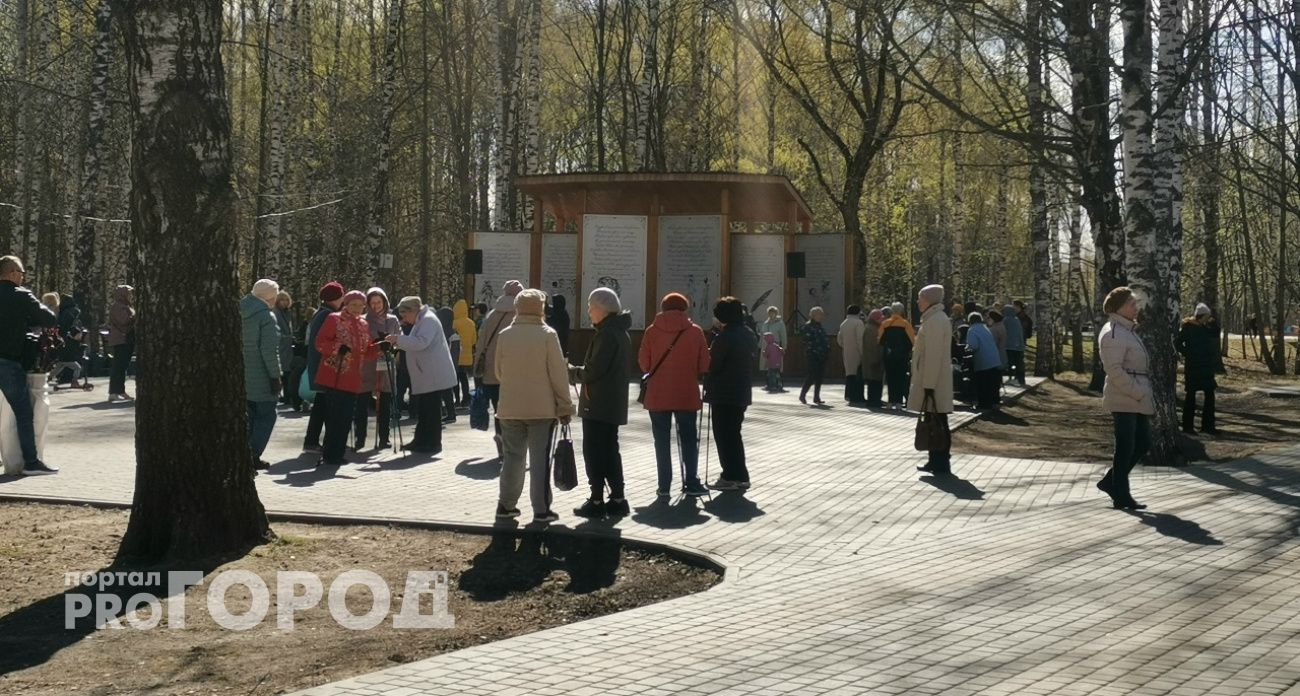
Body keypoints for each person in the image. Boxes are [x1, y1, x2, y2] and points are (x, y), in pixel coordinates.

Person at [493, 289, 573, 523]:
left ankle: (505, 505)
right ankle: (541, 509)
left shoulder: (505, 335)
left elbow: (499, 372)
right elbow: (558, 375)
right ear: (540, 308)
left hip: (509, 408)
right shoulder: (548, 335)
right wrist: (565, 406)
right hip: (542, 409)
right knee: (540, 461)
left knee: (512, 458)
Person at [638, 292, 711, 498]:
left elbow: (644, 363)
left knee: (661, 441)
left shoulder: (651, 331)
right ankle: (691, 482)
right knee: (688, 439)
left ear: (663, 307)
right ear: (684, 308)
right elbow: (705, 363)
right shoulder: (695, 331)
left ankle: (664, 486)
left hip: (658, 394)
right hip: (686, 392)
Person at [571, 287, 632, 518]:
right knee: (609, 450)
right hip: (611, 403)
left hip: (598, 404)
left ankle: (597, 500)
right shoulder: (619, 331)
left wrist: (571, 372)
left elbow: (593, 371)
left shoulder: (607, 334)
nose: (588, 311)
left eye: (591, 306)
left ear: (601, 309)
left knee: (594, 452)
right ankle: (617, 498)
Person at [0, 256, 58, 475]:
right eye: (22, 273)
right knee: (23, 412)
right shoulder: (22, 296)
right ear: (13, 272)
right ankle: (31, 463)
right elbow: (49, 319)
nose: (23, 277)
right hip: (8, 361)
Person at [1097, 286, 1152, 510]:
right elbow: (1114, 370)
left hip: (1134, 394)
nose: (1136, 307)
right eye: (1131, 304)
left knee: (1142, 443)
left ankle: (1111, 482)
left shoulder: (1126, 330)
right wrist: (1136, 392)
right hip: (1125, 395)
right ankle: (1121, 494)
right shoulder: (1113, 333)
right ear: (1118, 308)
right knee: (1126, 446)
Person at [314, 290, 379, 467]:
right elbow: (320, 342)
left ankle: (338, 452)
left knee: (345, 417)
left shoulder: (363, 324)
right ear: (346, 304)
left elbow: (367, 351)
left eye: (360, 305)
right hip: (335, 375)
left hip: (353, 378)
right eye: (353, 305)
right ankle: (330, 454)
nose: (357, 309)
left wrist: (381, 347)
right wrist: (338, 348)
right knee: (335, 417)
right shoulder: (334, 319)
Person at [387, 297, 459, 455]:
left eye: (404, 315)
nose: (404, 320)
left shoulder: (428, 320)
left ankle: (433, 443)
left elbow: (421, 342)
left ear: (412, 311)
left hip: (432, 374)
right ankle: (420, 440)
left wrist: (398, 339)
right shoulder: (422, 320)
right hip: (427, 373)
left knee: (431, 410)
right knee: (425, 409)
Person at [704, 296, 754, 491]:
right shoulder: (747, 333)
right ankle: (741, 475)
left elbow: (713, 365)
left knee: (724, 436)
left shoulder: (724, 338)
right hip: (741, 391)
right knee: (734, 434)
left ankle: (730, 475)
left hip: (723, 392)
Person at [475, 281, 523, 457]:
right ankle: (514, 446)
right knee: (516, 411)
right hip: (514, 373)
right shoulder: (521, 315)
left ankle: (501, 444)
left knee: (498, 410)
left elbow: (481, 344)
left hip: (491, 372)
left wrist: (476, 370)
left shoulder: (492, 315)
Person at [911, 284, 955, 475]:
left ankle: (940, 463)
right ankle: (935, 460)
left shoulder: (935, 321)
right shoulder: (934, 318)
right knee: (934, 421)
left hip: (933, 382)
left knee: (938, 422)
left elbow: (933, 356)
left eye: (920, 297)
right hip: (933, 381)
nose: (918, 301)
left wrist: (928, 385)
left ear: (929, 299)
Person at [241, 279, 283, 470]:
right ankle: (253, 454)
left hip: (242, 375)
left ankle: (242, 452)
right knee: (266, 417)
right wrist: (276, 376)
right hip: (262, 377)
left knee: (248, 417)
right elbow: (269, 351)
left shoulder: (240, 311)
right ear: (270, 297)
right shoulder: (266, 317)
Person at [353, 288, 399, 451]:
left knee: (385, 402)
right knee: (362, 402)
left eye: (378, 302)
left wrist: (392, 347)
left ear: (384, 301)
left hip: (386, 364)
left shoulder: (392, 320)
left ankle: (384, 438)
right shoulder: (363, 320)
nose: (376, 305)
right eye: (372, 303)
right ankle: (360, 437)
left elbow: (398, 342)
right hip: (367, 364)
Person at [303, 281, 345, 452]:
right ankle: (317, 441)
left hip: (322, 366)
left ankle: (318, 440)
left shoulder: (322, 313)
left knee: (322, 405)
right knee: (325, 406)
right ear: (336, 297)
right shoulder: (327, 315)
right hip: (325, 367)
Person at [1178, 303, 1225, 436]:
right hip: (1193, 366)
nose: (1208, 318)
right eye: (1207, 316)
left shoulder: (1205, 327)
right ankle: (1188, 426)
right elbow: (1178, 343)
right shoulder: (1188, 327)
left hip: (1205, 366)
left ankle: (1208, 426)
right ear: (1201, 315)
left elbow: (1216, 332)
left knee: (1210, 395)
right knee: (1190, 396)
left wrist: (1213, 321)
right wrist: (1188, 353)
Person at [879, 302, 916, 410]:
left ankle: (890, 401)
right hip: (902, 356)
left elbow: (880, 340)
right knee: (900, 378)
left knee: (890, 379)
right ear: (902, 311)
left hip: (889, 356)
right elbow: (912, 341)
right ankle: (899, 402)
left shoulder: (885, 323)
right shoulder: (906, 324)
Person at [965, 312, 1002, 410]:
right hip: (994, 359)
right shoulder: (985, 328)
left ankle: (984, 404)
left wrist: (967, 348)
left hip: (983, 360)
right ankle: (994, 402)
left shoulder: (972, 330)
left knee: (983, 384)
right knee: (993, 384)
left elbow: (974, 346)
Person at [105, 284, 136, 402]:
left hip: (125, 339)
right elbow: (124, 321)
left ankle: (120, 391)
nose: (131, 296)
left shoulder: (125, 305)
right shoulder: (118, 306)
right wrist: (134, 316)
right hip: (121, 340)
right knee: (119, 366)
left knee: (122, 366)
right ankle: (114, 392)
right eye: (129, 293)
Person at [799, 307, 829, 405]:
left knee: (819, 376)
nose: (821, 317)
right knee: (811, 375)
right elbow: (805, 340)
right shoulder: (808, 326)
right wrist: (813, 349)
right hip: (812, 354)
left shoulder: (820, 326)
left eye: (822, 314)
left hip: (822, 355)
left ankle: (817, 397)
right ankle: (802, 395)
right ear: (813, 315)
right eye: (819, 314)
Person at [436, 306, 459, 423]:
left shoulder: (443, 332)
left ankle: (448, 413)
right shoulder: (454, 332)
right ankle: (450, 412)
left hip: (443, 365)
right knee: (446, 391)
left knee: (443, 391)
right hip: (450, 365)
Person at [838, 305, 866, 405]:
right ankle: (858, 396)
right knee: (858, 374)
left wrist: (846, 346)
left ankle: (848, 394)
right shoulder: (858, 323)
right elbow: (860, 339)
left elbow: (839, 340)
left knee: (849, 374)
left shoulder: (843, 323)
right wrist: (863, 353)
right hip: (857, 352)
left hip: (846, 352)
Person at [452, 299, 477, 406]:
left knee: (455, 379)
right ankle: (466, 398)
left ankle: (457, 399)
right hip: (467, 355)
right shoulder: (471, 323)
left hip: (456, 355)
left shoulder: (454, 323)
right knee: (464, 378)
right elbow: (474, 340)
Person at [757, 306, 788, 391]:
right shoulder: (766, 323)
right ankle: (768, 384)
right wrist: (760, 346)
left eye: (773, 312)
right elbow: (762, 335)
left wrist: (784, 346)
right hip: (765, 346)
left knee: (776, 366)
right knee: (767, 366)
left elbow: (783, 335)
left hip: (775, 346)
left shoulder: (780, 323)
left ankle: (779, 384)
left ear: (776, 313)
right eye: (769, 313)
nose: (771, 314)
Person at [273, 291, 295, 403]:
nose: (285, 302)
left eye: (287, 299)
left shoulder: (287, 313)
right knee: (283, 372)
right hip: (281, 346)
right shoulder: (276, 312)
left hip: (287, 347)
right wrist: (285, 337)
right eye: (282, 300)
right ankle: (284, 395)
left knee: (288, 372)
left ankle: (288, 395)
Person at [861, 308, 885, 408]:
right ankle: (873, 401)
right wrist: (876, 359)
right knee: (874, 382)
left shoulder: (873, 327)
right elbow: (872, 346)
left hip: (873, 359)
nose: (882, 320)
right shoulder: (871, 329)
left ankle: (875, 400)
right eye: (880, 318)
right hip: (873, 360)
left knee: (875, 381)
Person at [1002, 304, 1026, 386]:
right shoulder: (1016, 320)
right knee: (1019, 363)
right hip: (1018, 345)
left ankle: (1011, 378)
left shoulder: (1006, 320)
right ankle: (1021, 379)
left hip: (1009, 345)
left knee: (1010, 363)